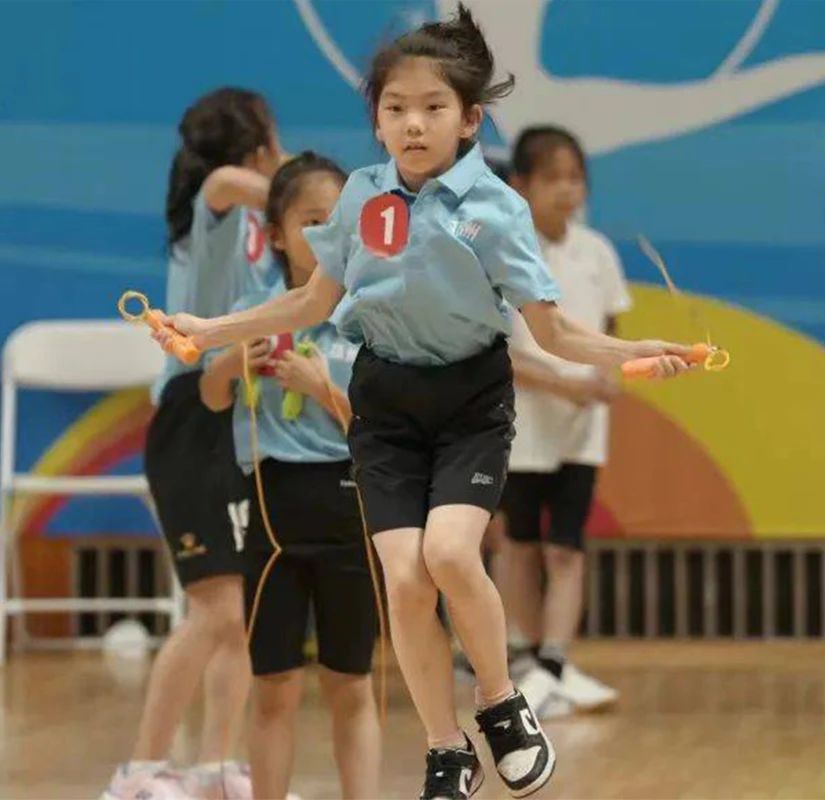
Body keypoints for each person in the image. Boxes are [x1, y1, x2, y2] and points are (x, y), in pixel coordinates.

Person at [158, 7, 694, 798]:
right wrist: (210, 330)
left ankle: (500, 702)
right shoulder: (359, 199)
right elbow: (309, 302)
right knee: (406, 580)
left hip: (469, 404)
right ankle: (447, 749)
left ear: (469, 119)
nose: (413, 123)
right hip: (384, 408)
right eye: (395, 107)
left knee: (448, 553)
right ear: (377, 121)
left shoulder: (495, 210)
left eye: (433, 107)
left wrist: (632, 353)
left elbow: (549, 329)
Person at [104, 87, 286, 800]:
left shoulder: (255, 233)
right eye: (272, 136)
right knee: (215, 609)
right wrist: (315, 193)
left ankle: (214, 767)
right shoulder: (218, 200)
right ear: (258, 144)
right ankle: (140, 770)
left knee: (241, 612)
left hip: (235, 417)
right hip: (189, 417)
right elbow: (235, 182)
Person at [199, 152, 381, 800]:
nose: (326, 236)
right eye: (310, 222)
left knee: (350, 683)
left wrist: (321, 388)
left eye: (337, 222)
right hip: (272, 512)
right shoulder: (254, 308)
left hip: (349, 507)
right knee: (273, 683)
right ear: (276, 235)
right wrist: (231, 363)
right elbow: (212, 397)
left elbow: (384, 430)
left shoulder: (370, 314)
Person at [498, 125, 629, 719]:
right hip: (521, 427)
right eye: (552, 178)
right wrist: (562, 384)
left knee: (567, 548)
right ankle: (528, 660)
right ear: (520, 184)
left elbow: (611, 327)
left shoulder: (596, 251)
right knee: (519, 544)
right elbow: (500, 350)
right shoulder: (503, 252)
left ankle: (555, 663)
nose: (567, 190)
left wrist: (605, 375)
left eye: (576, 178)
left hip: (582, 431)